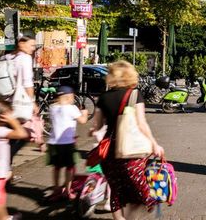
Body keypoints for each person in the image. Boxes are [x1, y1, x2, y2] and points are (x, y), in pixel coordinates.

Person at [91, 60, 165, 220]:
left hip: (109, 152)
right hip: (131, 153)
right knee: (141, 191)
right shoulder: (134, 94)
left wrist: (94, 131)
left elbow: (96, 127)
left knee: (116, 191)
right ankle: (139, 210)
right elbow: (141, 123)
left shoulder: (103, 98)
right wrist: (154, 143)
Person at [1, 36, 43, 183]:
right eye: (31, 45)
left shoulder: (7, 57)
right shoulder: (24, 59)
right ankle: (5, 172)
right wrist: (32, 102)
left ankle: (4, 170)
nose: (33, 48)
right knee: (23, 135)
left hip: (4, 101)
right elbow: (27, 83)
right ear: (21, 44)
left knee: (8, 137)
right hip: (19, 103)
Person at [46, 86, 89, 201]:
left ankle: (56, 190)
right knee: (70, 167)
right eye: (73, 97)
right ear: (68, 97)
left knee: (57, 167)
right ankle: (67, 191)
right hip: (67, 143)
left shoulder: (52, 107)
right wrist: (85, 113)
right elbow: (83, 121)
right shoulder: (72, 108)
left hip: (53, 142)